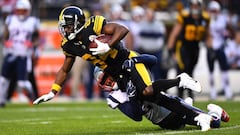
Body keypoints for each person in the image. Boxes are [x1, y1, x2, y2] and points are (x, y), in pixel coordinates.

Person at [33, 5, 212, 131]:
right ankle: (199, 116)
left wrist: (108, 44)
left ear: (78, 23)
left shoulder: (93, 25)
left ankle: (180, 80)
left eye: (68, 25)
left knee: (148, 91)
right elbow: (65, 69)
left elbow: (122, 29)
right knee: (151, 98)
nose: (65, 30)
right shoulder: (68, 45)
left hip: (128, 60)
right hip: (116, 73)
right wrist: (53, 91)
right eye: (64, 26)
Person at [93, 55, 230, 130]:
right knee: (184, 124)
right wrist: (132, 96)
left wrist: (135, 60)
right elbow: (136, 116)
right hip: (163, 121)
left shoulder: (126, 73)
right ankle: (190, 101)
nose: (109, 82)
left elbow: (152, 59)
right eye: (104, 81)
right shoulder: (115, 97)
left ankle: (215, 112)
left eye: (107, 77)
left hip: (171, 106)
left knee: (214, 123)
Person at [0, 0, 40, 107]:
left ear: (28, 11)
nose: (21, 13)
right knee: (3, 80)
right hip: (11, 52)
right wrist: (5, 42)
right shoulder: (11, 19)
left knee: (22, 83)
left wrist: (31, 44)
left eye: (24, 11)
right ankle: (2, 101)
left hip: (23, 55)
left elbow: (37, 38)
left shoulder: (33, 21)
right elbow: (4, 36)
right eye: (19, 11)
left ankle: (31, 96)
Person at [167, 0, 210, 99]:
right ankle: (180, 93)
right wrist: (170, 49)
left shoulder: (205, 18)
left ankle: (190, 93)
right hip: (183, 46)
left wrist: (210, 47)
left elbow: (207, 34)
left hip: (195, 47)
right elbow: (174, 33)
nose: (195, 7)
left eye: (197, 5)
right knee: (182, 69)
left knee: (191, 70)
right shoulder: (184, 16)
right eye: (193, 5)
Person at [206, 0, 233, 100]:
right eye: (212, 10)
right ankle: (213, 91)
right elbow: (204, 34)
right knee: (211, 71)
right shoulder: (206, 19)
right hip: (210, 48)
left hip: (221, 47)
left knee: (224, 70)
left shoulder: (223, 19)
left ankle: (227, 90)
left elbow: (231, 29)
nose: (213, 13)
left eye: (215, 10)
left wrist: (231, 36)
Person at [137, 8, 168, 80]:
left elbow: (160, 34)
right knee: (144, 71)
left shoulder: (158, 24)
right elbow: (140, 33)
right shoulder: (142, 23)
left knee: (157, 71)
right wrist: (152, 34)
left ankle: (157, 88)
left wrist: (148, 34)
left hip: (156, 51)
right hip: (144, 51)